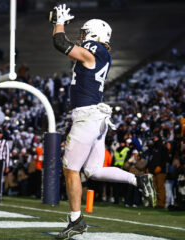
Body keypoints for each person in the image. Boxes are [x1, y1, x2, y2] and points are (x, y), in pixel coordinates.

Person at [50, 4, 156, 239]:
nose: (82, 37)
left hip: (87, 117)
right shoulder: (100, 53)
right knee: (93, 170)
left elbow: (60, 43)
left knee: (71, 170)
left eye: (85, 33)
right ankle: (137, 180)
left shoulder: (95, 48)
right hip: (95, 118)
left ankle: (76, 220)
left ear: (94, 35)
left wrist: (59, 23)